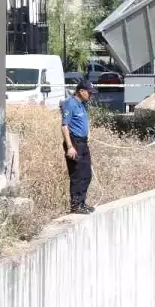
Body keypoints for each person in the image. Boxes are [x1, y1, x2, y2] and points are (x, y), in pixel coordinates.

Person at [62, 80, 95, 215]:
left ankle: (82, 202)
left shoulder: (82, 105)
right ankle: (75, 205)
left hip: (83, 143)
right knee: (77, 175)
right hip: (74, 143)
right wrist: (70, 147)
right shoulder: (70, 104)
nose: (90, 95)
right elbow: (64, 126)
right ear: (81, 91)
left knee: (86, 174)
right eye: (89, 92)